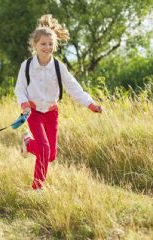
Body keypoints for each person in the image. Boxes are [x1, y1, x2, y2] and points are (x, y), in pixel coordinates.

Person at [14, 14, 102, 190]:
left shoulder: (58, 67)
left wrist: (90, 104)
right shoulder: (27, 65)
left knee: (51, 155)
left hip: (52, 113)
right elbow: (19, 89)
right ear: (35, 45)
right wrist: (24, 105)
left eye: (50, 44)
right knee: (45, 149)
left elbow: (73, 88)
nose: (47, 47)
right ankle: (37, 188)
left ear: (55, 45)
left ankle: (28, 143)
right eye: (43, 44)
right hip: (33, 113)